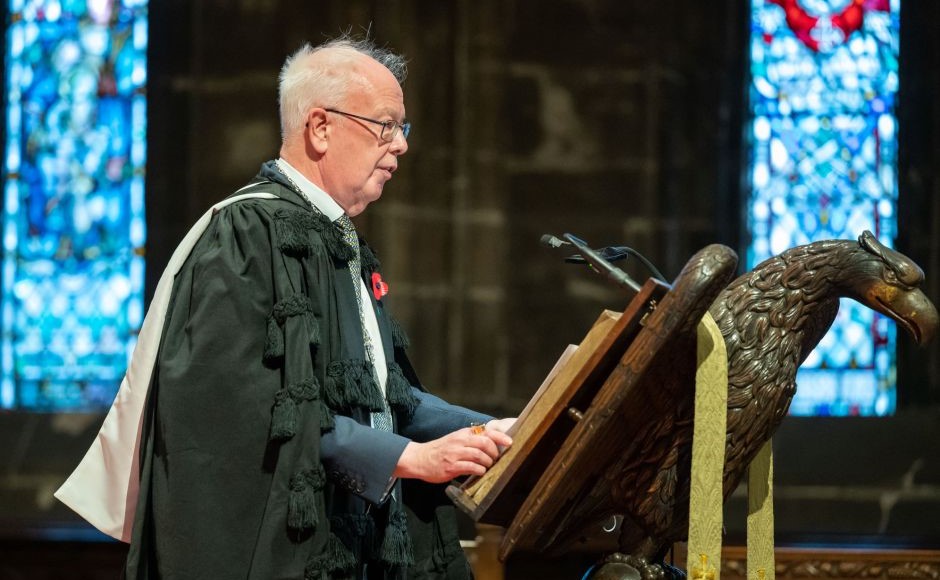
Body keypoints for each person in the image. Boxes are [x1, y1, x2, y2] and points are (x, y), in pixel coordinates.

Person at [56, 36, 514, 579]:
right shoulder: (244, 237)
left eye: (402, 129)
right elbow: (249, 416)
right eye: (386, 126)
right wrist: (405, 458)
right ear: (320, 127)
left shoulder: (336, 240)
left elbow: (387, 399)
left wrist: (498, 432)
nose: (401, 146)